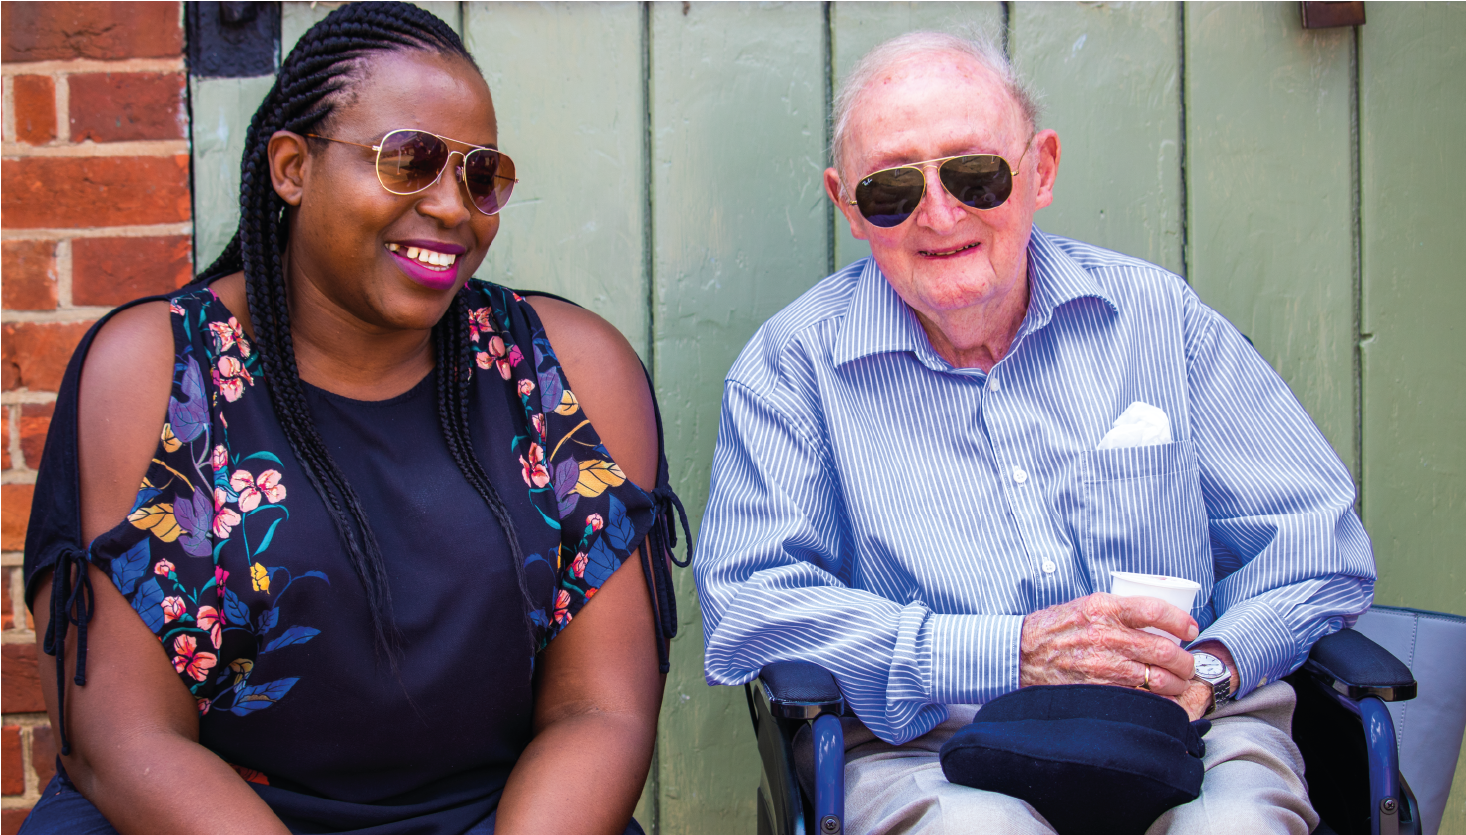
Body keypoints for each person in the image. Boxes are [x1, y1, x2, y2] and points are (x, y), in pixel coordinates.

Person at [21, 4, 688, 834]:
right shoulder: (158, 370)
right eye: (408, 162)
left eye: (480, 175)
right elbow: (122, 737)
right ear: (293, 168)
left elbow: (600, 711)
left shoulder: (566, 373)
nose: (454, 207)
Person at [694, 30, 1373, 835]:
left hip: (1192, 727)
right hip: (930, 746)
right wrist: (1001, 651)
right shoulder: (791, 367)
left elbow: (1317, 544)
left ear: (1040, 169)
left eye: (976, 175)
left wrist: (1213, 667)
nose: (939, 215)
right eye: (892, 190)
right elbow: (750, 604)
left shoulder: (1157, 318)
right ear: (848, 206)